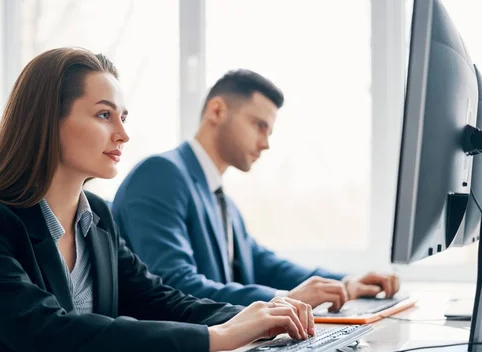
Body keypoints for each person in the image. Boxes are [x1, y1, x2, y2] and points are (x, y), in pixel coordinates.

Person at [0, 50, 314, 352]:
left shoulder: (98, 217)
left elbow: (155, 299)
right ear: (48, 120)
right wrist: (216, 337)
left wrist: (255, 317)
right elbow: (48, 331)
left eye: (123, 117)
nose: (123, 134)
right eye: (103, 114)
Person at [112, 69, 400, 309]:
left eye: (269, 131)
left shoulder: (223, 203)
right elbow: (174, 285)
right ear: (217, 111)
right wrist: (283, 300)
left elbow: (266, 265)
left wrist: (346, 282)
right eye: (259, 126)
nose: (265, 143)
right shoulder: (161, 174)